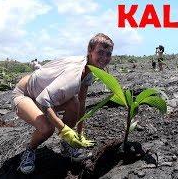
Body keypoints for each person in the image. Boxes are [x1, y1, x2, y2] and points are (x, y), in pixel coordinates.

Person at [12, 33, 114, 174]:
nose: (104, 58)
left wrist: (79, 132)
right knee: (47, 128)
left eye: (108, 54)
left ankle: (66, 146)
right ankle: (29, 151)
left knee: (75, 103)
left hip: (42, 94)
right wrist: (65, 131)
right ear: (90, 50)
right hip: (25, 94)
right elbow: (44, 101)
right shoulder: (74, 75)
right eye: (100, 52)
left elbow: (82, 101)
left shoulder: (90, 70)